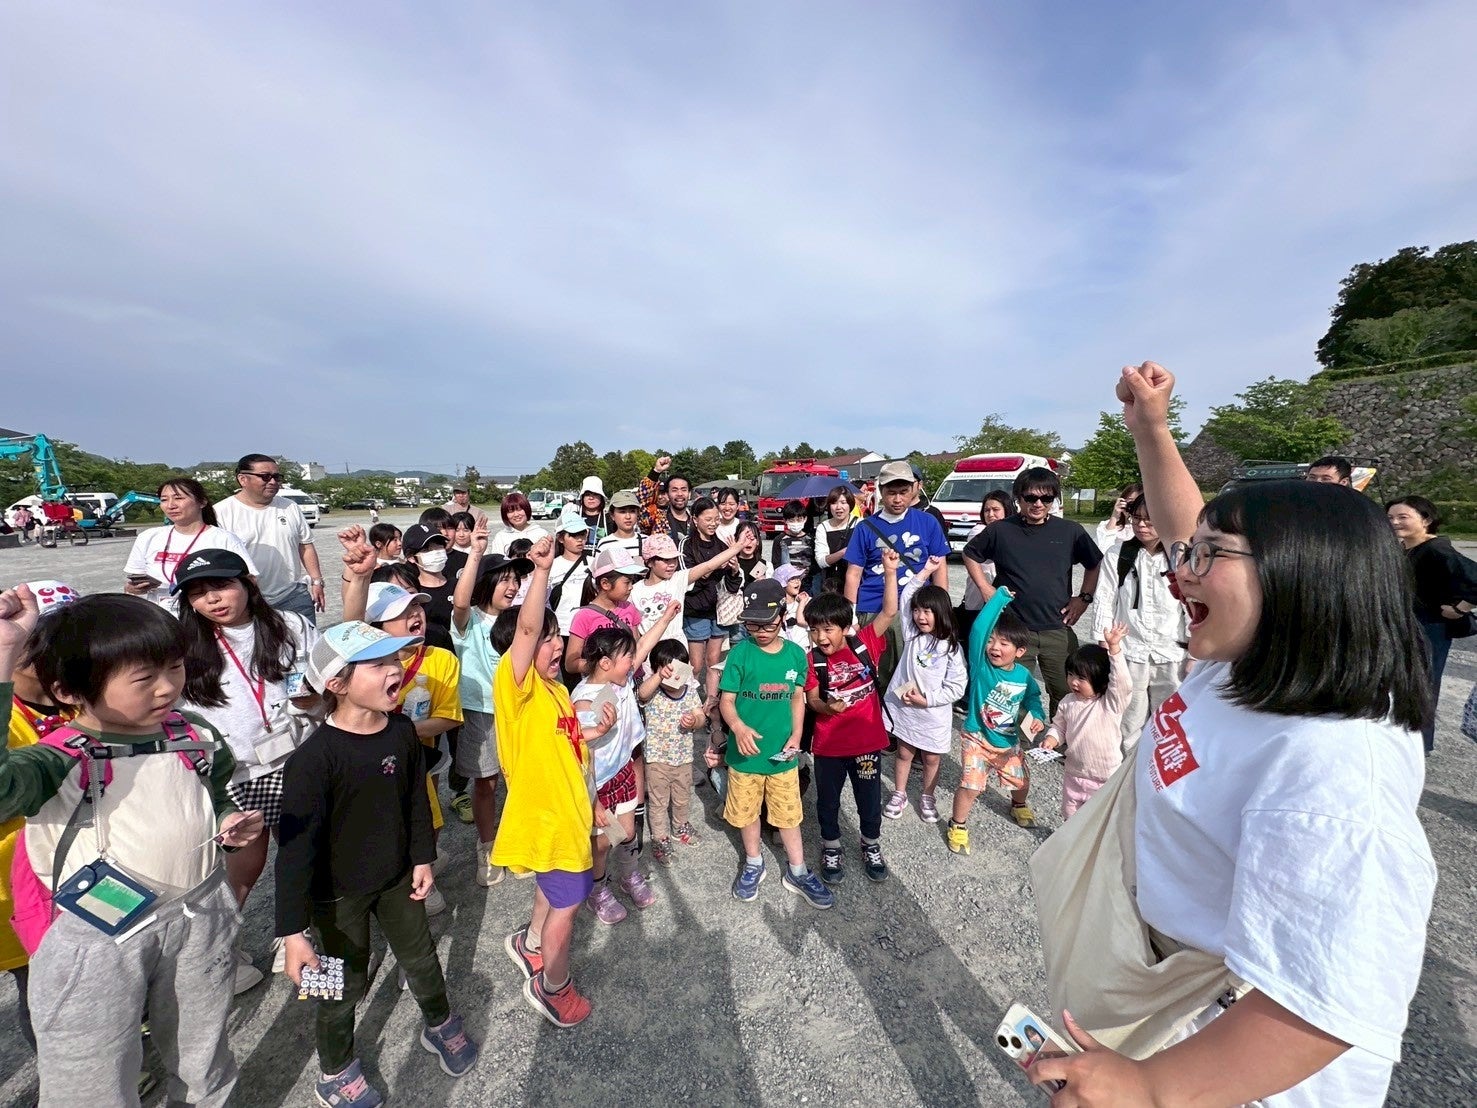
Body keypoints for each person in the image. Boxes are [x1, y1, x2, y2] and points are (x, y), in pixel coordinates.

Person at [1029, 361, 1436, 1107]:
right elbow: (1186, 524)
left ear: (1301, 575)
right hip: (1167, 982)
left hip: (1223, 1055)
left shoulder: (1334, 765)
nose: (1180, 569)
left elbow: (1328, 997)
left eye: (1207, 556)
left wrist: (1150, 1089)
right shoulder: (1252, 661)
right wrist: (1151, 430)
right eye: (1192, 551)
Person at [0, 587, 263, 1108]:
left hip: (198, 913)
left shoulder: (193, 733)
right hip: (98, 936)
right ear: (69, 690)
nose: (168, 688)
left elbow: (214, 790)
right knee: (92, 1071)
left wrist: (228, 819)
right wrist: (6, 654)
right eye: (143, 678)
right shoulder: (58, 760)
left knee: (203, 1051)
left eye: (174, 668)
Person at [277, 622, 479, 1107]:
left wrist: (423, 857)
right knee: (340, 984)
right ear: (337, 683)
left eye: (395, 660)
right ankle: (334, 1069)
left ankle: (438, 1022)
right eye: (378, 664)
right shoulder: (312, 760)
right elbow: (294, 852)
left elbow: (415, 799)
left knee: (421, 956)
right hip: (334, 896)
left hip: (397, 879)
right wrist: (292, 933)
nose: (395, 671)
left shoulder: (403, 731)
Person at [175, 550, 321, 991]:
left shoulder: (289, 626)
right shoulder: (181, 646)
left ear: (248, 584)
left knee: (302, 853)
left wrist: (314, 701)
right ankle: (217, 950)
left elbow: (318, 678)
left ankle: (295, 932)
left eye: (222, 585)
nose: (212, 599)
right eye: (198, 593)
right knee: (243, 866)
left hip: (297, 757)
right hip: (236, 773)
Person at [492, 536, 612, 1029]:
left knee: (553, 889)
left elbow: (570, 748)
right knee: (569, 903)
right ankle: (552, 987)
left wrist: (593, 743)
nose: (556, 644)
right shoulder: (515, 685)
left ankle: (530, 943)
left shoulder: (556, 690)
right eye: (545, 638)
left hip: (570, 812)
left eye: (557, 635)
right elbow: (525, 627)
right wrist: (541, 572)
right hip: (548, 818)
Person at [706, 579, 834, 909]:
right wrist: (737, 727)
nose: (760, 631)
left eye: (767, 624)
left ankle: (798, 870)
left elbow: (796, 699)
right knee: (747, 813)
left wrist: (796, 736)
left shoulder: (795, 655)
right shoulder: (740, 653)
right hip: (745, 757)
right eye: (752, 624)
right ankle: (753, 862)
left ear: (782, 616)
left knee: (789, 816)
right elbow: (726, 700)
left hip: (782, 757)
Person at [1, 580, 80, 1056]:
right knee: (44, 987)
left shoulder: (86, 698)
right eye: (41, 641)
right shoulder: (7, 717)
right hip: (24, 888)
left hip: (94, 872)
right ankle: (73, 1070)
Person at [962, 466, 1103, 717]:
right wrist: (985, 588)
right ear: (1018, 498)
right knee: (1010, 694)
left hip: (1057, 627)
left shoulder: (1070, 531)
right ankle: (1014, 740)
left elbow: (1094, 563)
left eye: (1046, 498)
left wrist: (1084, 599)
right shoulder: (1000, 530)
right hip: (1014, 630)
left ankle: (1059, 738)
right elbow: (969, 554)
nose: (1038, 504)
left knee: (1066, 693)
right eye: (1031, 497)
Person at [803, 550, 900, 886]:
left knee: (869, 799)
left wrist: (890, 571)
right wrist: (826, 708)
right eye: (814, 630)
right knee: (827, 802)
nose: (821, 638)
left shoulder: (865, 644)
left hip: (866, 744)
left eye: (828, 629)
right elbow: (812, 699)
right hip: (828, 746)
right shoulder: (812, 660)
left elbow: (889, 611)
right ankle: (831, 846)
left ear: (845, 627)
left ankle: (870, 843)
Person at [571, 618, 675, 923]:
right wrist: (594, 801)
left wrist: (667, 617)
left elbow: (643, 647)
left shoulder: (621, 679)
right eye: (627, 657)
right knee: (602, 843)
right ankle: (597, 891)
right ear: (605, 663)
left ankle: (629, 876)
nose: (633, 662)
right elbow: (582, 755)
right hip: (598, 783)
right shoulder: (586, 701)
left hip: (623, 770)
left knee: (628, 832)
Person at [449, 517, 532, 887]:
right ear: (486, 583)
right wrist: (476, 552)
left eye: (516, 580)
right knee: (486, 783)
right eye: (505, 580)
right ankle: (487, 846)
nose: (513, 587)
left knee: (520, 780)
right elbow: (460, 601)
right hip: (482, 713)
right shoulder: (469, 621)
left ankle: (517, 841)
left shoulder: (518, 619)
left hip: (519, 711)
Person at [844, 461, 951, 700]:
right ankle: (877, 718)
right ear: (881, 492)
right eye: (891, 492)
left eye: (903, 492)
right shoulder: (865, 527)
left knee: (915, 673)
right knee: (875, 671)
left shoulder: (928, 522)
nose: (897, 499)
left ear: (914, 489)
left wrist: (941, 607)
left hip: (917, 610)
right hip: (874, 608)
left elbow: (939, 566)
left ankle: (905, 720)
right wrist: (850, 615)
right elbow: (854, 573)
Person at [1090, 493, 1188, 752]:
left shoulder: (1181, 556)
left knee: (1172, 718)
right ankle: (1128, 767)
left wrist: (1194, 653)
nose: (1142, 525)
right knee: (1128, 719)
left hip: (1171, 651)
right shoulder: (1118, 553)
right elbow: (1105, 597)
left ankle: (1163, 765)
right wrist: (1104, 641)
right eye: (1136, 519)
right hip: (1130, 649)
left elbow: (1192, 603)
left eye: (1149, 520)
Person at [950, 587, 1046, 849]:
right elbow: (978, 630)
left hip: (1008, 741)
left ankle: (1019, 804)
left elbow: (1033, 698)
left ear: (1020, 651)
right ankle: (957, 824)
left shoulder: (1023, 676)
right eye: (992, 641)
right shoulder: (981, 668)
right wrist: (998, 599)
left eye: (1004, 644)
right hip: (977, 738)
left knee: (1021, 780)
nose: (994, 647)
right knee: (971, 786)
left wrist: (1037, 715)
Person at [1386, 495, 1477, 753]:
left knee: (1422, 685)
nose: (1395, 522)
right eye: (1390, 517)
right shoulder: (1406, 548)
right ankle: (1405, 739)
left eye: (1403, 517)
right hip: (1407, 626)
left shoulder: (1437, 550)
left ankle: (1419, 744)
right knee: (1402, 683)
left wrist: (1459, 609)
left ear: (1425, 520)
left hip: (1429, 629)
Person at [883, 559, 968, 824]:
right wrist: (926, 571)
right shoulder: (912, 635)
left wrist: (928, 699)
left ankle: (927, 795)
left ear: (941, 613)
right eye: (917, 611)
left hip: (933, 714)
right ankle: (899, 793)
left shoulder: (951, 648)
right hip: (907, 710)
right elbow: (907, 594)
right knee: (904, 753)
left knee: (931, 758)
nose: (920, 616)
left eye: (927, 611)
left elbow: (957, 687)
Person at [215, 454, 327, 624]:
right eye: (265, 477)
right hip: (248, 600)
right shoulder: (221, 513)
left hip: (293, 595)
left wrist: (317, 580)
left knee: (306, 640)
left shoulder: (290, 507)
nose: (273, 482)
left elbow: (305, 546)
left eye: (277, 477)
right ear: (243, 479)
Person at [124, 478, 259, 613]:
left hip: (204, 617)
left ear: (202, 502)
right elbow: (132, 584)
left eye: (179, 498)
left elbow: (250, 580)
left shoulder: (224, 539)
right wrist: (133, 589)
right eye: (164, 500)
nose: (170, 505)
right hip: (159, 617)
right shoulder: (148, 537)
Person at [1039, 625, 1132, 819]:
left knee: (1097, 820)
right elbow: (1059, 727)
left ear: (1102, 680)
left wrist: (1114, 649)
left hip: (1105, 777)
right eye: (1071, 674)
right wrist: (1051, 739)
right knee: (1069, 814)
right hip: (1074, 773)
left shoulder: (1110, 703)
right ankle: (1068, 837)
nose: (1073, 681)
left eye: (1082, 678)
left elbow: (1122, 683)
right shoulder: (1067, 702)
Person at [640, 639, 705, 865]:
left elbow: (701, 716)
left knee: (682, 796)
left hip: (683, 758)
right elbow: (642, 693)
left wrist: (694, 721)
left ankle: (680, 826)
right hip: (656, 759)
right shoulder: (653, 692)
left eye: (678, 669)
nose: (673, 676)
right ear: (655, 669)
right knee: (658, 802)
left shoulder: (689, 692)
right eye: (666, 670)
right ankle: (660, 838)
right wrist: (658, 676)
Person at [629, 531, 742, 646]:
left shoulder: (677, 579)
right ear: (649, 562)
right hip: (648, 648)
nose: (672, 564)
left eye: (674, 559)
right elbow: (634, 627)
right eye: (666, 560)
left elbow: (708, 566)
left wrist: (738, 546)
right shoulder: (634, 591)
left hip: (677, 646)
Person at [565, 547, 646, 679]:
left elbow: (636, 648)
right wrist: (605, 668)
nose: (631, 587)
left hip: (630, 681)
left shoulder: (629, 609)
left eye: (632, 581)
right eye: (627, 582)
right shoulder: (583, 616)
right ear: (605, 584)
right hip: (602, 686)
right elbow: (571, 664)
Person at [957, 490, 1012, 644]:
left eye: (996, 510)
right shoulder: (978, 531)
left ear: (1007, 510)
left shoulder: (1014, 532)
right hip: (978, 600)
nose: (990, 514)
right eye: (987, 510)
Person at [399, 524, 456, 631]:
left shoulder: (458, 584)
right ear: (411, 557)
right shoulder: (413, 594)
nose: (436, 553)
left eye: (439, 546)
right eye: (426, 550)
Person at [550, 517, 593, 645]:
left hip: (590, 627)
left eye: (583, 534)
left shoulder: (594, 563)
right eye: (573, 535)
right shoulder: (550, 565)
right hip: (562, 627)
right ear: (560, 538)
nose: (580, 539)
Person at [636, 456, 692, 542]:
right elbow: (642, 502)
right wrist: (656, 472)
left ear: (689, 494)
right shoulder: (657, 518)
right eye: (674, 490)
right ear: (668, 494)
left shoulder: (697, 521)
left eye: (683, 489)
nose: (679, 494)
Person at [813, 485, 856, 594]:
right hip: (832, 585)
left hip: (857, 581)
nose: (838, 507)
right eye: (834, 503)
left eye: (843, 502)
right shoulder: (823, 527)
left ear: (850, 504)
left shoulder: (860, 524)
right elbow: (822, 561)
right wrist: (844, 552)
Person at [489, 492, 549, 557]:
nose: (516, 514)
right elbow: (497, 560)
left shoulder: (541, 534)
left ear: (527, 510)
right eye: (510, 511)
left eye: (519, 509)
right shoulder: (501, 537)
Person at [560, 477, 609, 547]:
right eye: (587, 494)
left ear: (601, 497)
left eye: (595, 494)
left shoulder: (609, 519)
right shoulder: (573, 517)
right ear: (582, 498)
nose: (591, 498)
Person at [595, 490, 644, 560]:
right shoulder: (604, 544)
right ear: (612, 515)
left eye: (632, 511)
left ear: (638, 514)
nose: (628, 517)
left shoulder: (646, 541)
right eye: (622, 512)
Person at [1094, 483, 1143, 552]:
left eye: (1138, 503)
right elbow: (1100, 550)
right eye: (1131, 503)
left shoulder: (1146, 527)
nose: (1134, 507)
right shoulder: (1107, 525)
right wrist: (1114, 515)